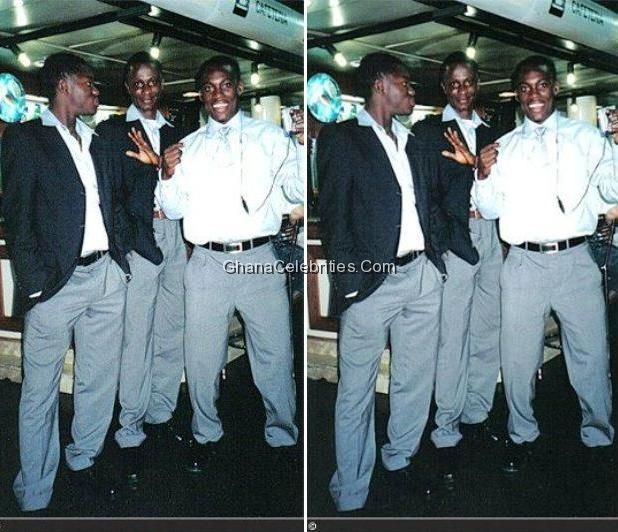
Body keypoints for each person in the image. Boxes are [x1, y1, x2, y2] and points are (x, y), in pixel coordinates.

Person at [155, 55, 303, 473]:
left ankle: (283, 433)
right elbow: (173, 209)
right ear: (200, 96)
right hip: (206, 263)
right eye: (208, 87)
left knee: (275, 354)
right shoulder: (187, 148)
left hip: (259, 260)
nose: (217, 94)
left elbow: (295, 192)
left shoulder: (271, 138)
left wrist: (302, 146)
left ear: (239, 88)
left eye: (224, 85)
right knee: (201, 358)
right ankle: (205, 433)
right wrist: (166, 175)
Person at [318, 52, 452, 512]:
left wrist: (436, 261)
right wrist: (352, 286)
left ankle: (399, 459)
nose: (411, 90)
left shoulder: (411, 140)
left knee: (414, 380)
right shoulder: (341, 138)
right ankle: (351, 488)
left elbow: (427, 204)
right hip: (371, 285)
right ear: (380, 85)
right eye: (404, 82)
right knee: (355, 391)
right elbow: (334, 218)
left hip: (421, 277)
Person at [474, 55, 618, 473]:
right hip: (523, 265)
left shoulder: (588, 138)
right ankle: (522, 433)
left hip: (576, 261)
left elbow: (611, 191)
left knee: (591, 355)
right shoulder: (504, 148)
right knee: (518, 358)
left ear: (555, 88)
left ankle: (599, 433)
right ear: (517, 95)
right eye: (525, 88)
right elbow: (489, 208)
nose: (533, 94)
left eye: (541, 85)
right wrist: (482, 175)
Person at [2, 52, 130, 512]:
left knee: (99, 380)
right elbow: (17, 219)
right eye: (88, 82)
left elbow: (111, 204)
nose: (95, 91)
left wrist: (120, 262)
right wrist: (36, 286)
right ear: (63, 85)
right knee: (40, 391)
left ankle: (84, 458)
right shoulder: (26, 139)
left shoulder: (95, 141)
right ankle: (35, 489)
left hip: (105, 277)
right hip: (56, 285)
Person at [95, 52, 187, 484]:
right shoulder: (113, 132)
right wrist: (125, 248)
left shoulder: (177, 132)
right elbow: (108, 196)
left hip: (176, 236)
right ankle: (129, 426)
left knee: (171, 330)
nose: (146, 91)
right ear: (128, 87)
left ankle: (160, 413)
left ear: (161, 84)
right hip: (140, 240)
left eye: (152, 82)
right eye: (138, 83)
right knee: (137, 338)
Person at [411, 52, 502, 484]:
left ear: (477, 84)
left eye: (468, 82)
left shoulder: (493, 132)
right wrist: (441, 245)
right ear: (444, 87)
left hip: (492, 236)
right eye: (454, 84)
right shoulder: (429, 132)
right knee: (452, 339)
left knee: (487, 331)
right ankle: (445, 428)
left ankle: (476, 414)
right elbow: (423, 195)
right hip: (456, 239)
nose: (462, 90)